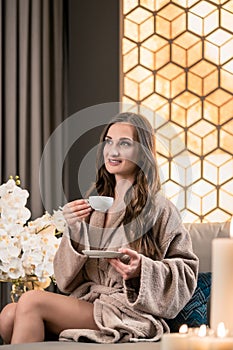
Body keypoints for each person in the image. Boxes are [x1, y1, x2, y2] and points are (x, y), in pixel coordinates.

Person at [0, 112, 199, 344]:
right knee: (8, 315)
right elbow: (64, 281)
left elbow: (186, 271)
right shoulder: (94, 205)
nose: (112, 151)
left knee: (32, 301)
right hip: (91, 302)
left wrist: (141, 270)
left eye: (124, 143)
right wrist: (74, 229)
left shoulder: (159, 209)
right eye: (108, 141)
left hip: (127, 311)